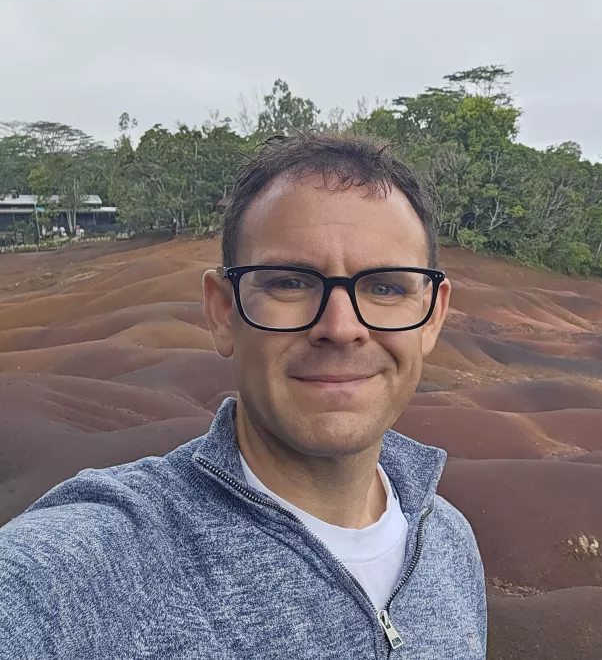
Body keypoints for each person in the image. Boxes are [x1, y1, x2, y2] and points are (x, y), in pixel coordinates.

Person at [0, 132, 487, 658]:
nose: (341, 327)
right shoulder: (90, 569)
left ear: (433, 317)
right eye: (289, 283)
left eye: (387, 287)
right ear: (222, 312)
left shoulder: (448, 544)